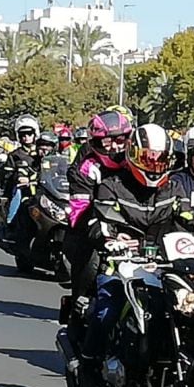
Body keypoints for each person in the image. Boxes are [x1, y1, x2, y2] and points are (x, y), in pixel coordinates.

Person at [77, 123, 186, 387]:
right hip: (122, 265)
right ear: (134, 155)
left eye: (161, 159)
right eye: (148, 157)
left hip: (164, 266)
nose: (154, 164)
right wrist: (109, 238)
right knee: (107, 310)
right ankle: (88, 366)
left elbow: (189, 219)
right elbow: (96, 222)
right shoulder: (111, 186)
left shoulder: (173, 188)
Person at [65, 110, 133, 312]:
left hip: (135, 224)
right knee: (89, 255)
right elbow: (79, 211)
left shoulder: (136, 160)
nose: (115, 146)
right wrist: (104, 232)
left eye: (121, 140)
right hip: (93, 227)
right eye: (107, 141)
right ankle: (80, 303)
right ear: (95, 142)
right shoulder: (86, 167)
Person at [0, 114, 41, 245]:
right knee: (18, 193)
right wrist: (17, 177)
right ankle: (11, 222)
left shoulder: (41, 152)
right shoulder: (15, 155)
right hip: (23, 188)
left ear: (35, 134)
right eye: (22, 134)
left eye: (29, 133)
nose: (26, 137)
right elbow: (6, 174)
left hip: (41, 186)